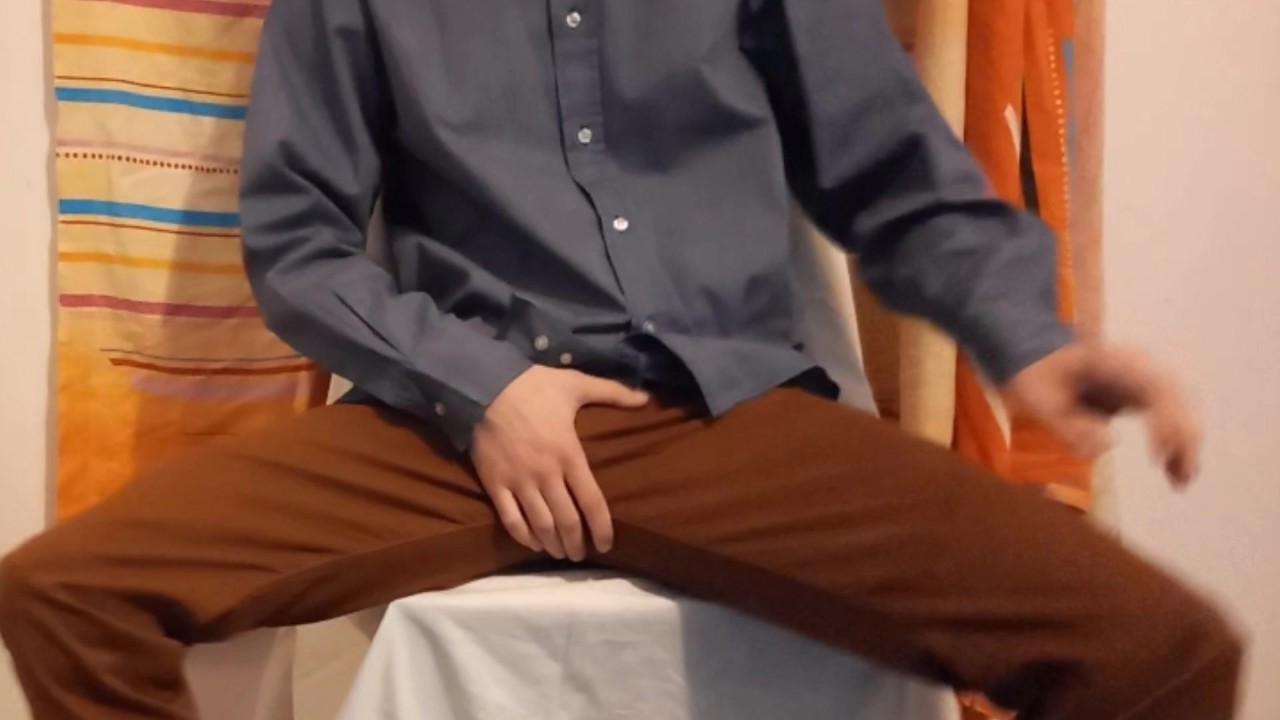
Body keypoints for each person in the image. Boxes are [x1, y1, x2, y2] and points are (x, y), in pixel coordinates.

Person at [0, 0, 1244, 718]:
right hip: (458, 421)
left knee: (1156, 648)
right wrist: (482, 388)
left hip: (726, 413)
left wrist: (1027, 340)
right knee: (70, 595)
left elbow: (889, 172)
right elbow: (297, 244)